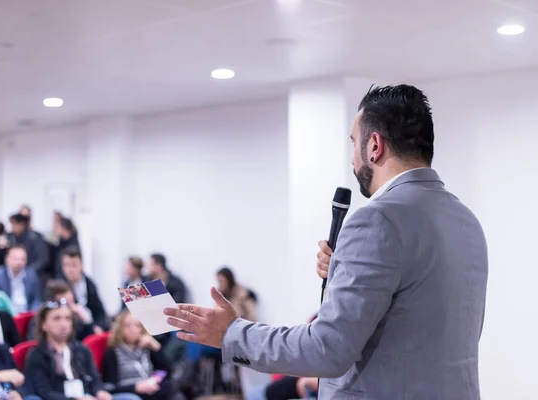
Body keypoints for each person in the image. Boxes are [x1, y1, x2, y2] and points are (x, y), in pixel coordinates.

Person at [164, 84, 489, 399]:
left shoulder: (377, 219)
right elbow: (419, 320)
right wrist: (343, 269)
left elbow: (327, 350)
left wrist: (234, 333)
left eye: (353, 143)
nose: (353, 159)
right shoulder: (465, 221)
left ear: (374, 146)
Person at [24, 299, 139, 400]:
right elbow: (44, 392)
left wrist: (99, 392)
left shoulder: (81, 349)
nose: (63, 324)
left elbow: (95, 379)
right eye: (56, 319)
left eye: (68, 318)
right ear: (44, 325)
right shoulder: (37, 355)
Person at [102, 311, 182, 400]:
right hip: (130, 390)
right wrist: (136, 387)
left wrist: (155, 346)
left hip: (150, 385)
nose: (133, 329)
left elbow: (168, 370)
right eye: (127, 325)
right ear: (119, 328)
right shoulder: (113, 351)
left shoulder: (146, 347)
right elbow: (110, 387)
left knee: (171, 386)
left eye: (137, 325)